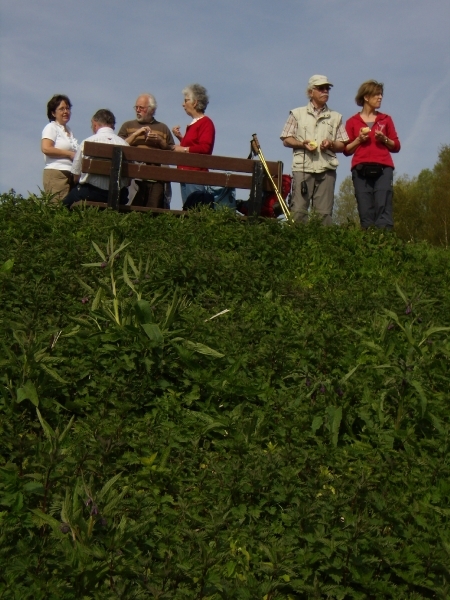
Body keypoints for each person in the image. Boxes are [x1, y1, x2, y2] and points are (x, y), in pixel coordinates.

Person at [280, 75, 349, 225]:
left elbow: (342, 144)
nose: (325, 91)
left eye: (327, 89)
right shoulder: (297, 113)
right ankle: (297, 246)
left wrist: (330, 144)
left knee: (324, 215)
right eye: (321, 88)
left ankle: (322, 247)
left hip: (326, 169)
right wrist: (301, 144)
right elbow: (286, 138)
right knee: (298, 212)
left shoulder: (336, 117)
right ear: (311, 92)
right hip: (303, 168)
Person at [344, 80, 401, 230]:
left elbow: (396, 146)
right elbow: (346, 150)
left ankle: (386, 242)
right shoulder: (352, 122)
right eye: (376, 94)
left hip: (383, 167)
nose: (380, 97)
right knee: (365, 207)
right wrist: (358, 140)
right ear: (366, 97)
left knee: (384, 204)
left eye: (381, 94)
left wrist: (384, 139)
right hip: (360, 168)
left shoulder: (386, 119)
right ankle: (369, 244)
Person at [63, 109, 129, 209]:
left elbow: (76, 176)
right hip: (119, 196)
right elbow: (128, 181)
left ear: (95, 124)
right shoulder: (125, 145)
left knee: (63, 206)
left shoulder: (87, 142)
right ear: (112, 125)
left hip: (91, 194)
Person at [117, 93, 174, 208]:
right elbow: (119, 146)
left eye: (141, 108)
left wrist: (159, 141)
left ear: (151, 110)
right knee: (133, 210)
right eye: (136, 107)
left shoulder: (163, 128)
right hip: (134, 177)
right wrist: (136, 134)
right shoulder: (127, 126)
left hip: (156, 178)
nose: (137, 110)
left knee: (154, 212)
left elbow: (171, 152)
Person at [172, 84, 215, 207]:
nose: (183, 104)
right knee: (188, 210)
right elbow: (194, 145)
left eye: (186, 100)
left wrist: (182, 149)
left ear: (195, 103)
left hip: (195, 174)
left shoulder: (206, 122)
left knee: (194, 210)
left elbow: (205, 148)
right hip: (186, 173)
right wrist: (181, 138)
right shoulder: (194, 124)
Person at [41, 94, 78, 202]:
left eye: (67, 108)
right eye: (61, 109)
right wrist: (69, 154)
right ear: (53, 113)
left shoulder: (69, 131)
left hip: (70, 174)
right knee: (56, 209)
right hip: (56, 173)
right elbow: (46, 148)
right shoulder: (51, 127)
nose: (66, 111)